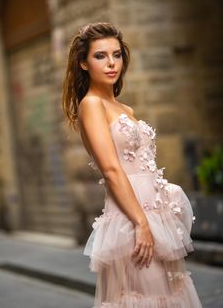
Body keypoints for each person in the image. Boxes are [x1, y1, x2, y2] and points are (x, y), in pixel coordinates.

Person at [62, 22, 203, 307]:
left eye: (117, 54)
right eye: (100, 56)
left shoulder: (125, 109)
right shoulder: (91, 105)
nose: (112, 63)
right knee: (145, 297)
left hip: (155, 212)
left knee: (169, 294)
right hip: (131, 218)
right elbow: (112, 170)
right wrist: (141, 224)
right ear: (84, 63)